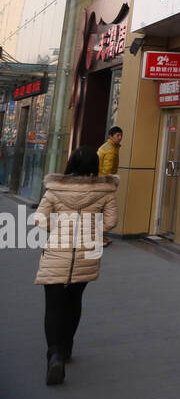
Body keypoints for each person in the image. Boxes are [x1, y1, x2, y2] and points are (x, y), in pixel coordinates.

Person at [32, 146, 118, 386]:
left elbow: (39, 218)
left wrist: (57, 229)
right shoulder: (105, 190)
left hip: (57, 252)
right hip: (87, 253)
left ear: (70, 164)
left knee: (54, 305)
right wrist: (92, 231)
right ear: (94, 166)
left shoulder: (54, 189)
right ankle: (67, 348)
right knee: (74, 300)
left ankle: (55, 354)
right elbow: (112, 221)